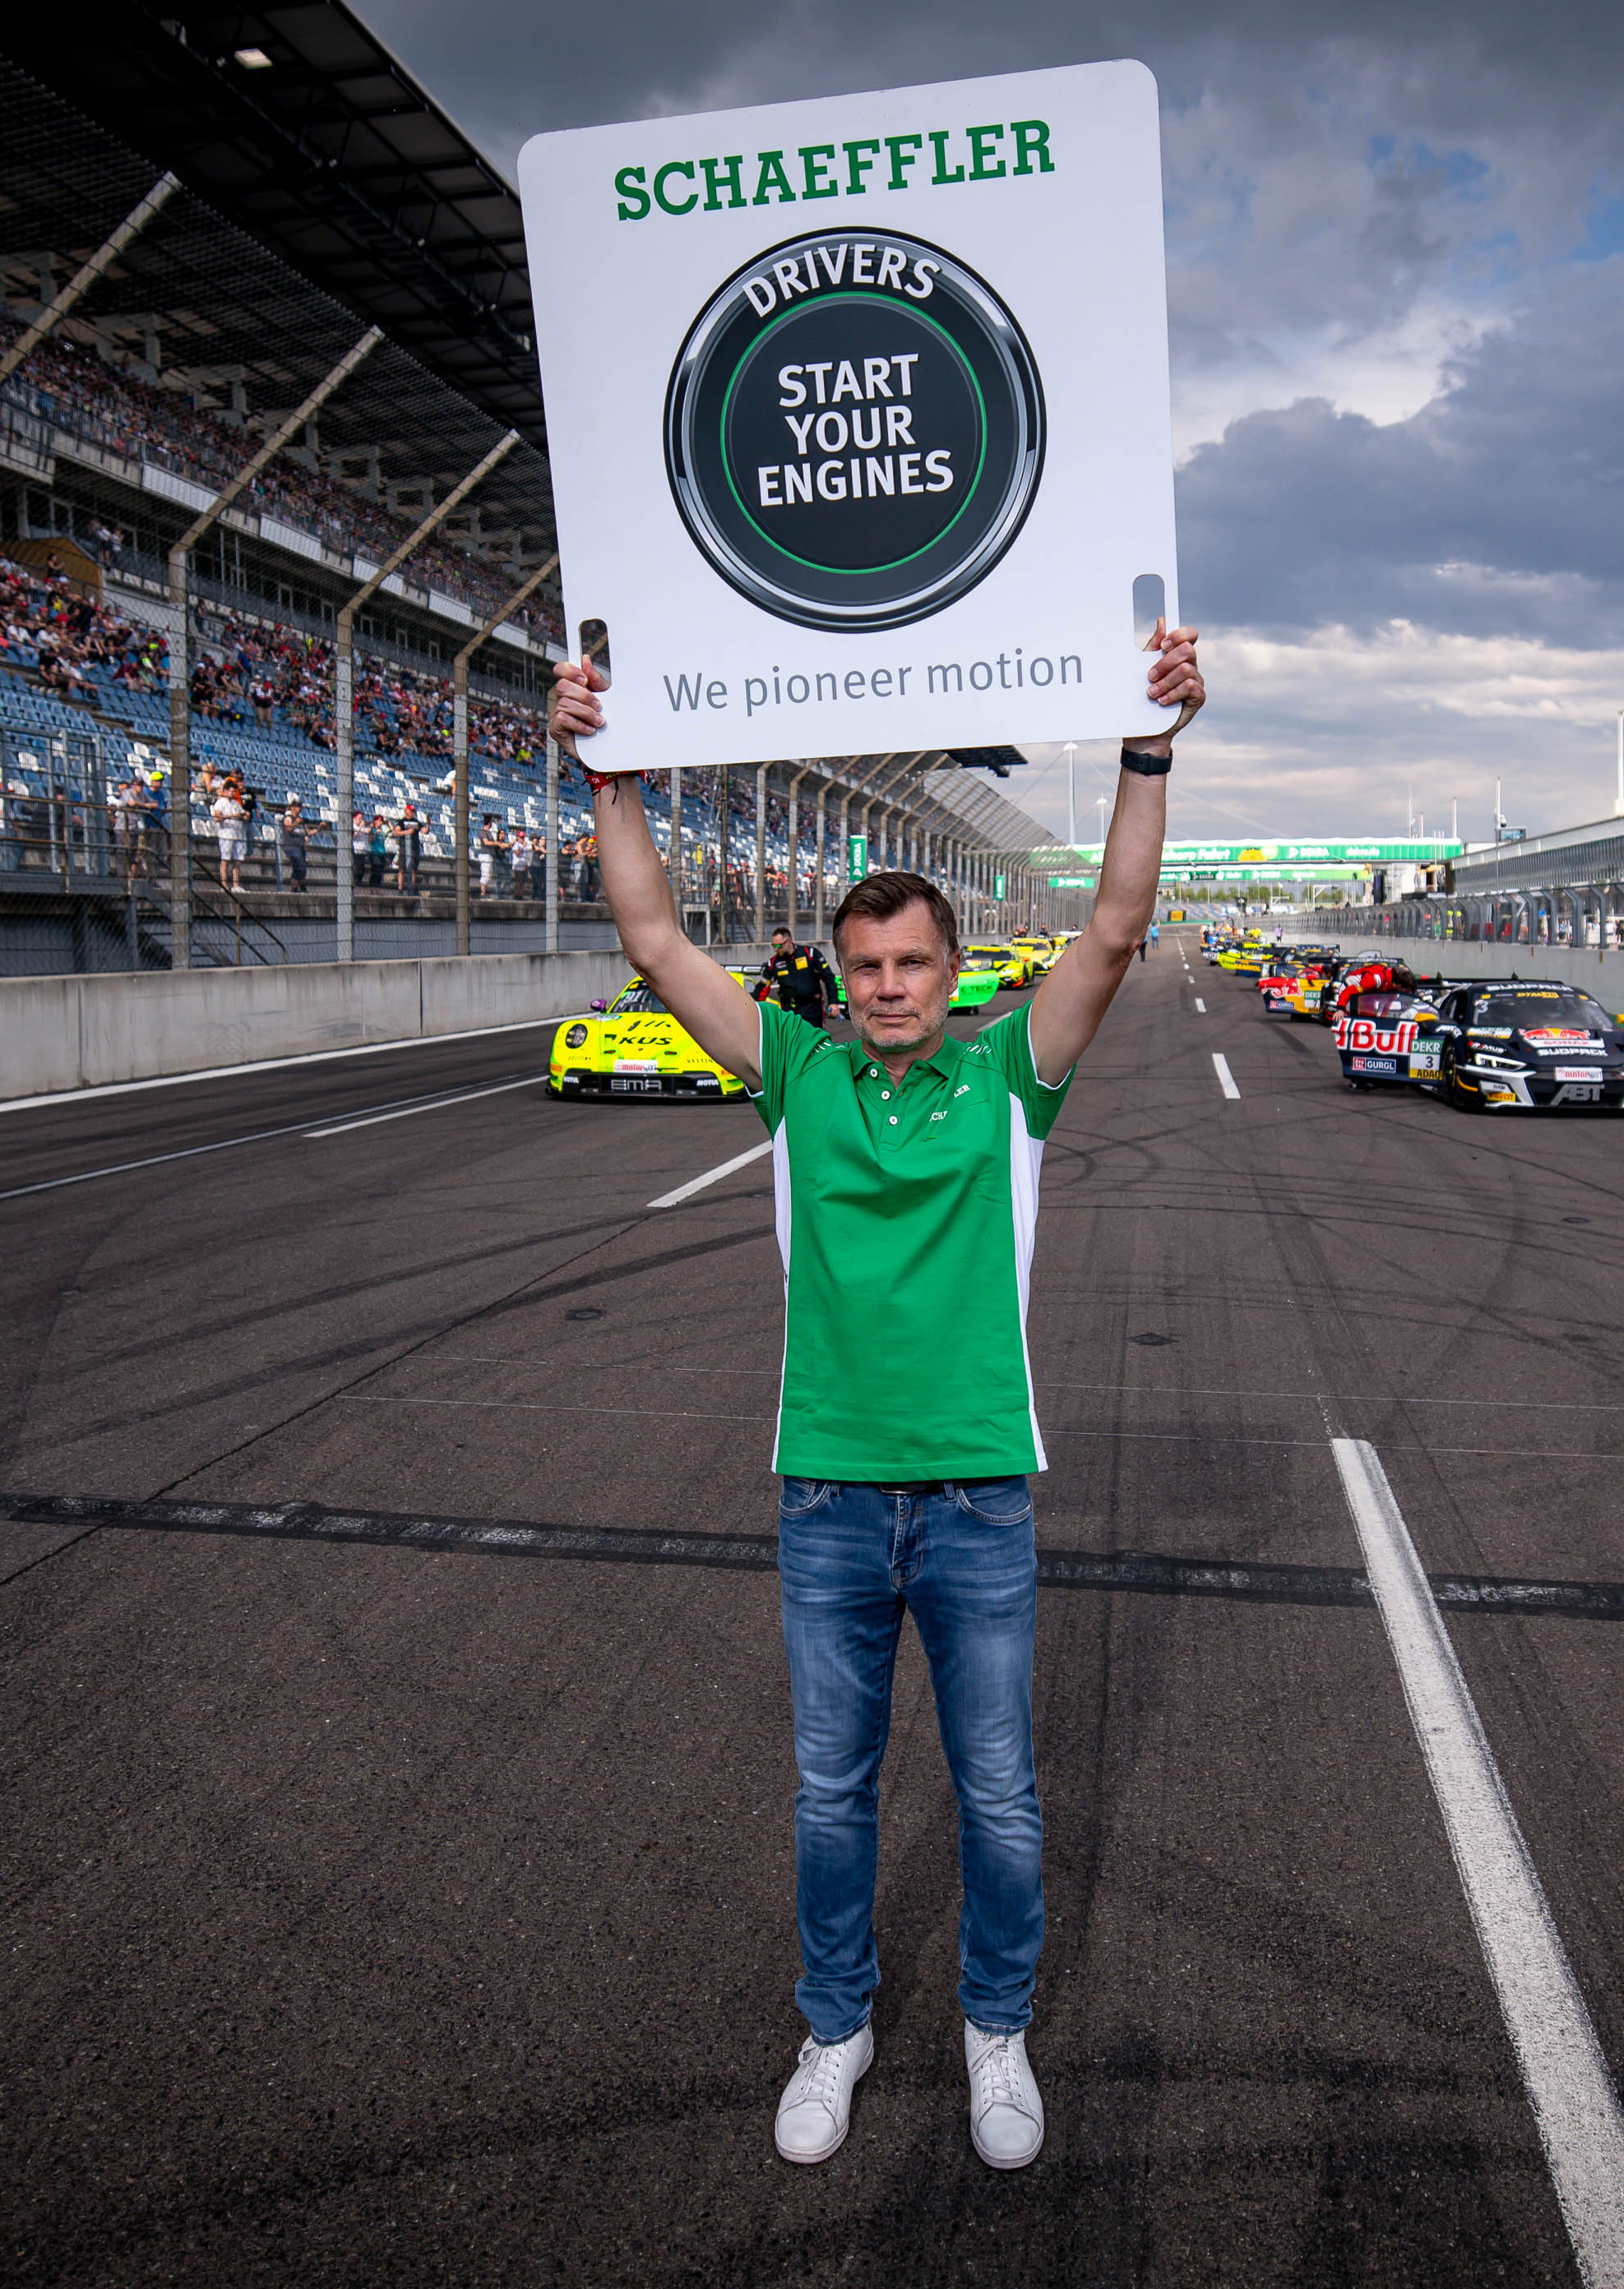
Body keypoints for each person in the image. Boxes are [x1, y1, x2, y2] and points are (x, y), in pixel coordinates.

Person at [553, 619, 1205, 2176]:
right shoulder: (798, 1074)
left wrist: (1147, 748)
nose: (892, 986)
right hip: (828, 1494)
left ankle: (996, 2027)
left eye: (915, 963)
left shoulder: (1010, 1079)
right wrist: (607, 772)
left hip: (979, 1496)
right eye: (868, 967)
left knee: (1001, 1798)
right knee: (830, 1799)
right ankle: (834, 2026)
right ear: (838, 980)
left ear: (954, 971)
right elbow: (654, 940)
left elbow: (1116, 926)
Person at [210, 775, 248, 894]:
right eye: (231, 791)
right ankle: (224, 884)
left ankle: (236, 885)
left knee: (237, 860)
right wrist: (231, 816)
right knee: (225, 859)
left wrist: (245, 815)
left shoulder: (236, 804)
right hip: (226, 834)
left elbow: (243, 814)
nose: (232, 793)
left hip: (238, 834)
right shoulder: (221, 803)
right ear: (225, 791)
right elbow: (216, 818)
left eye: (234, 791)